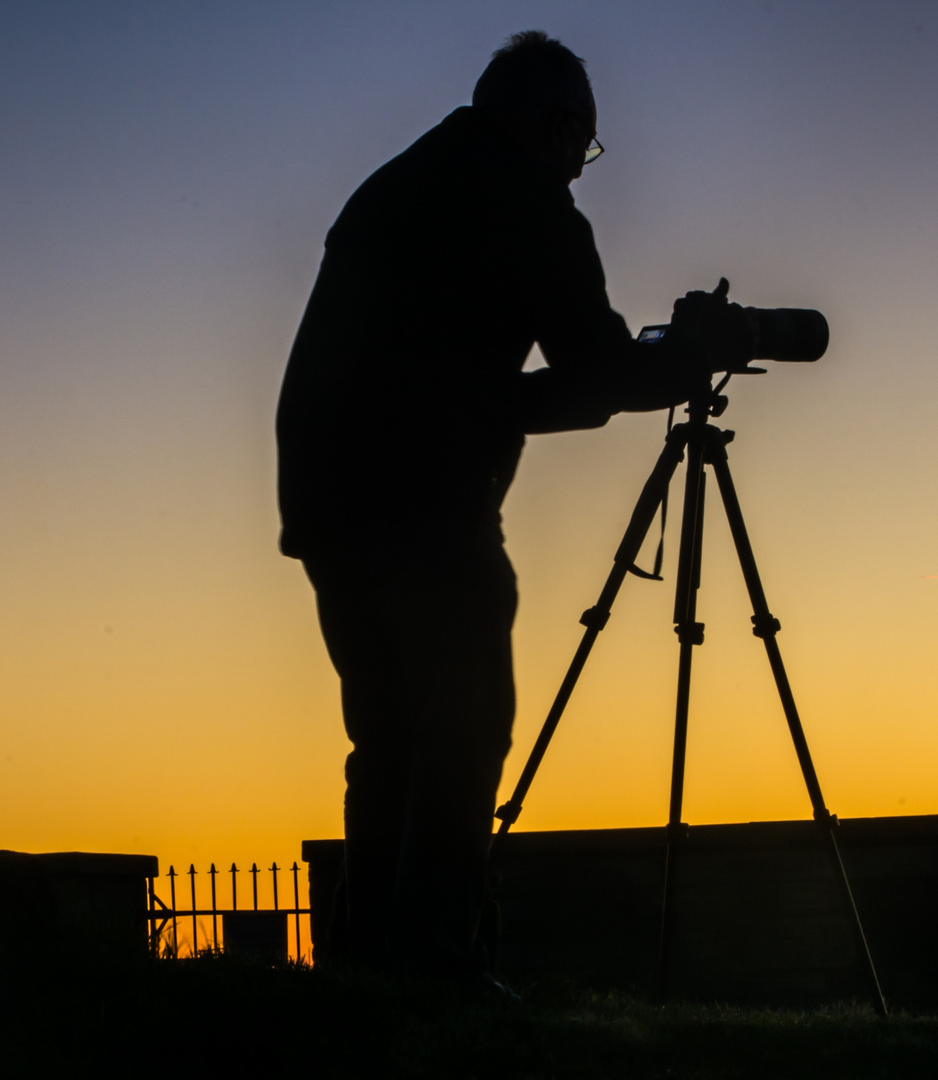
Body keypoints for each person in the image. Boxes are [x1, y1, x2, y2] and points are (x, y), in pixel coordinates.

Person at [275, 31, 708, 989]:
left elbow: (476, 388)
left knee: (387, 738)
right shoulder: (525, 202)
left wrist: (603, 383)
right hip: (424, 502)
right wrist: (673, 367)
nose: (578, 174)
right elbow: (588, 372)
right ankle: (435, 963)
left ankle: (368, 967)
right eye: (583, 150)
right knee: (463, 727)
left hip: (326, 500)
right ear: (555, 127)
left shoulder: (398, 186)